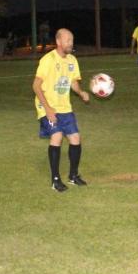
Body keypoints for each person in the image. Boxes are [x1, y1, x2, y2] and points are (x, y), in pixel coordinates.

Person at [32, 28, 91, 192]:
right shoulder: (48, 59)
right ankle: (55, 180)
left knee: (75, 138)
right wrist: (48, 109)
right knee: (57, 136)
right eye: (67, 40)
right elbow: (36, 86)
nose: (70, 44)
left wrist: (81, 93)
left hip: (65, 107)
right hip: (47, 107)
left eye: (71, 40)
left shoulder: (72, 60)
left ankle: (73, 176)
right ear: (58, 42)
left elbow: (73, 82)